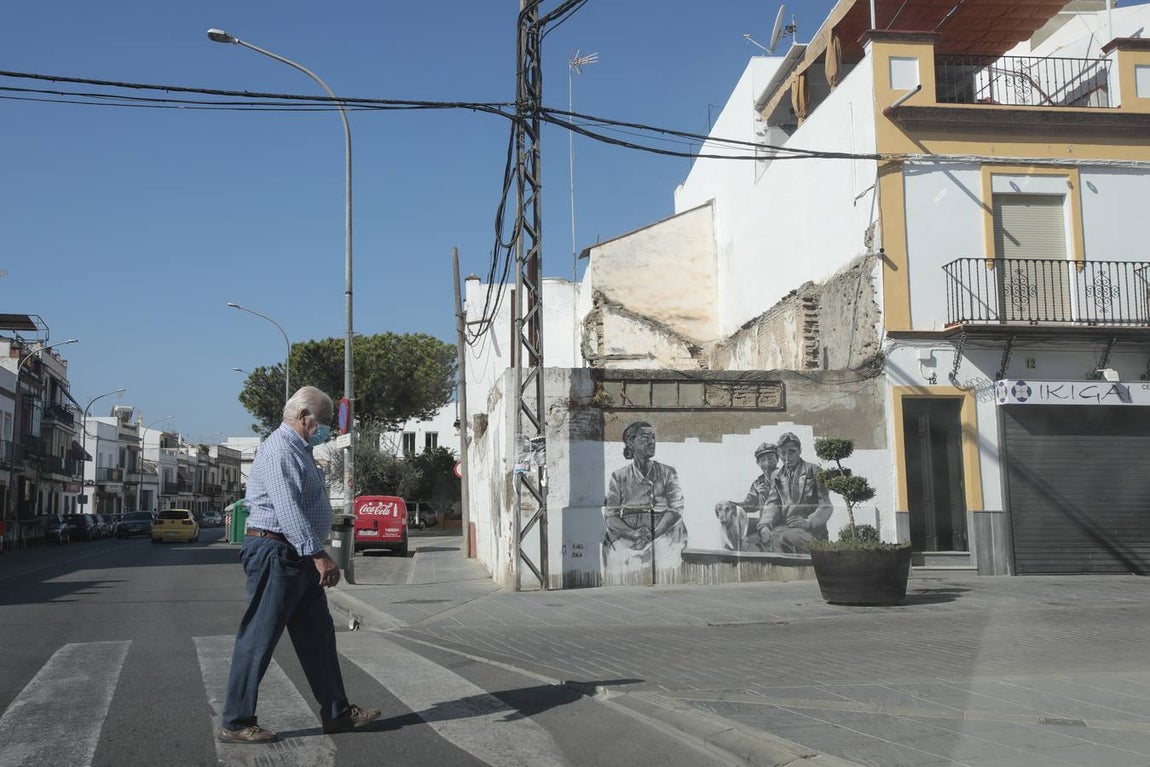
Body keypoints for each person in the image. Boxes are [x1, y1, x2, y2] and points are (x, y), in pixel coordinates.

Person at [218, 386, 380, 744]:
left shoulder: (300, 451)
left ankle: (337, 714)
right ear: (304, 416)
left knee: (318, 638)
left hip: (297, 554)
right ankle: (235, 721)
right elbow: (287, 508)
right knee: (258, 639)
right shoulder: (279, 449)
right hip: (276, 552)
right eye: (322, 422)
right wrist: (319, 554)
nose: (325, 429)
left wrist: (312, 552)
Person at [602, 421, 688, 570]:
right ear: (631, 442)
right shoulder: (619, 476)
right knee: (617, 556)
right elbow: (611, 516)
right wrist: (634, 533)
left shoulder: (668, 472)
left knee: (665, 559)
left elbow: (676, 509)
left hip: (663, 529)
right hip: (629, 532)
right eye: (645, 437)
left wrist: (652, 534)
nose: (652, 442)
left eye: (653, 437)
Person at [763, 432, 833, 554]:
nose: (787, 458)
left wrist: (808, 522)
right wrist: (765, 525)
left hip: (812, 533)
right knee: (769, 537)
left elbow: (826, 506)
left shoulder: (814, 470)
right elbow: (772, 504)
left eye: (791, 452)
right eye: (783, 453)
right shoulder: (778, 476)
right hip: (786, 528)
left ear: (799, 451)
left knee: (785, 536)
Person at [740, 442, 782, 549]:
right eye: (763, 460)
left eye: (771, 458)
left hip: (782, 526)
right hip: (763, 526)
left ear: (777, 459)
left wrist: (769, 495)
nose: (767, 463)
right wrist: (731, 505)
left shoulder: (784, 478)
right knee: (744, 542)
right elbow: (750, 505)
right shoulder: (758, 482)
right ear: (758, 463)